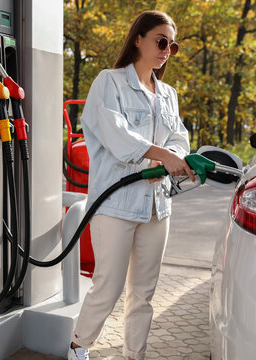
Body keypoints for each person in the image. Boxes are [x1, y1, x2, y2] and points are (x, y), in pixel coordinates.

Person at [67, 10, 194, 360]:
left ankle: (134, 354)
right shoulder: (109, 83)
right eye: (161, 41)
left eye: (173, 45)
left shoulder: (167, 94)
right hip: (116, 206)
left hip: (157, 205)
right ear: (138, 38)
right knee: (107, 287)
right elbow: (118, 138)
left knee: (143, 293)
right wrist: (163, 155)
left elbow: (180, 138)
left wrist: (176, 157)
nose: (167, 49)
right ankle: (78, 347)